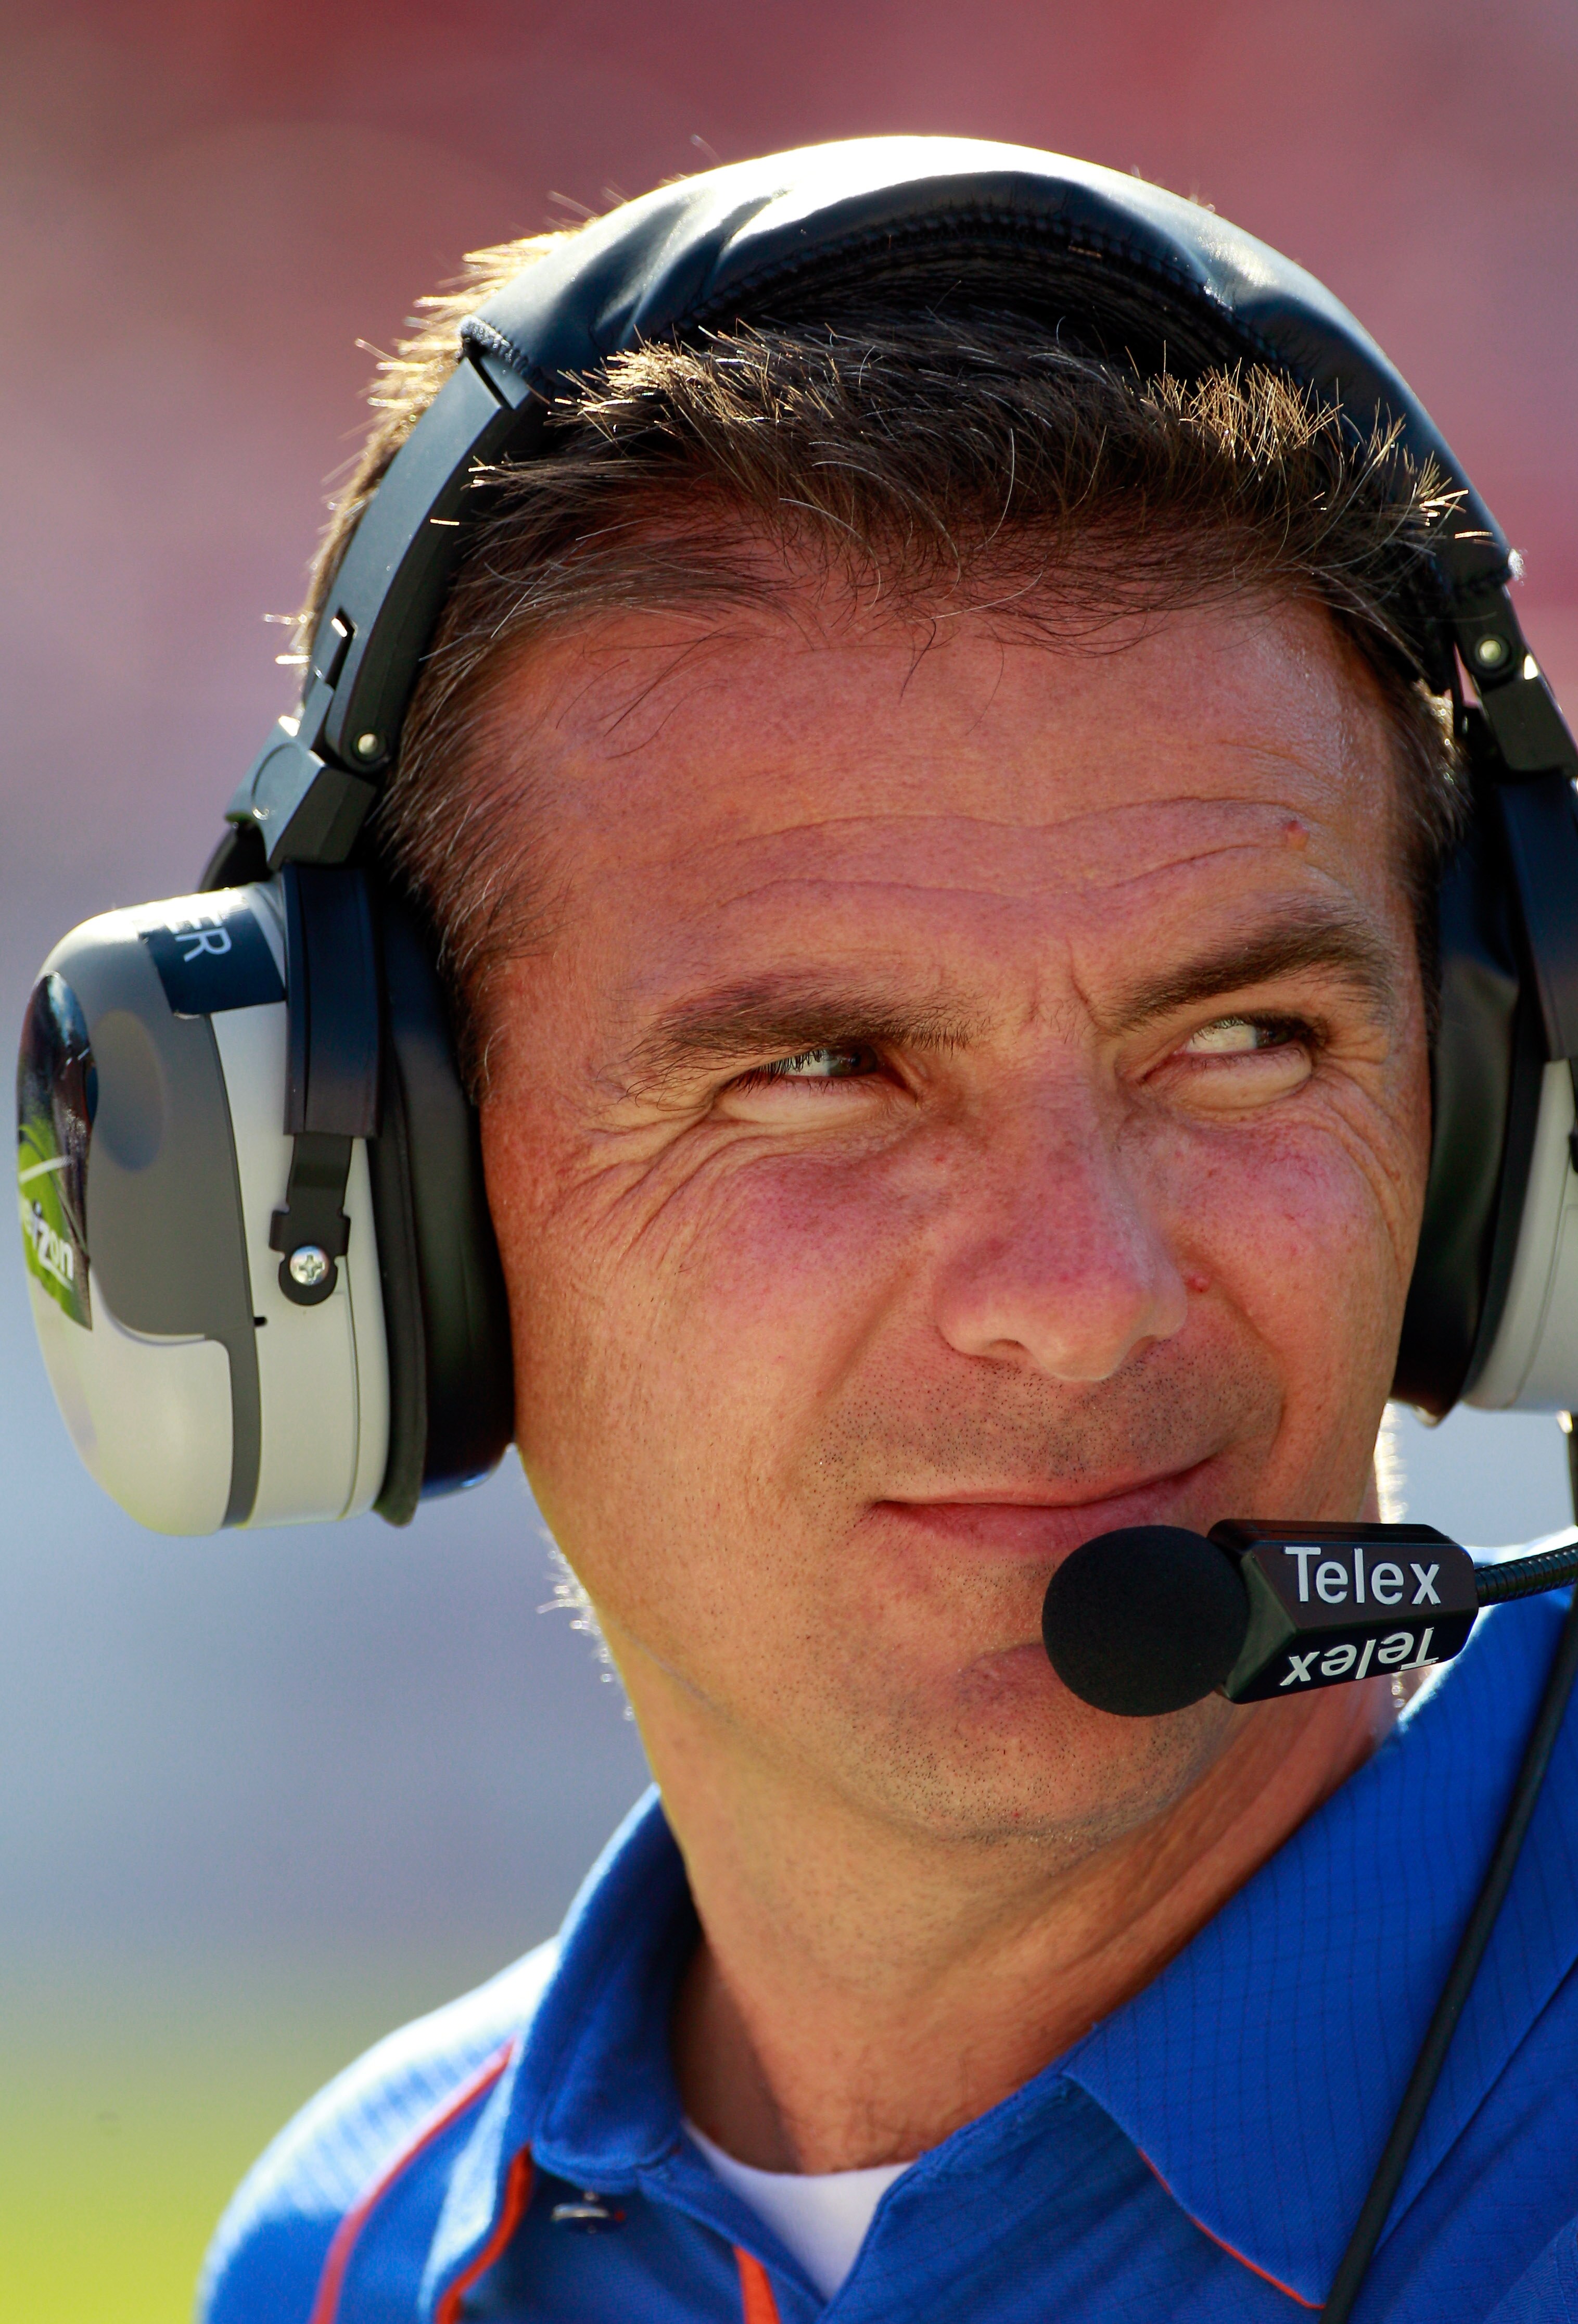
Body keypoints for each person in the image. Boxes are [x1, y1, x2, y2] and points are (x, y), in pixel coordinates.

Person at [200, 144, 1578, 2322]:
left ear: (1492, 1107)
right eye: (822, 1072)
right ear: (381, 1199)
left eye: (1237, 1039)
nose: (1082, 1294)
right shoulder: (353, 2252)